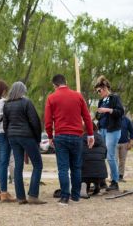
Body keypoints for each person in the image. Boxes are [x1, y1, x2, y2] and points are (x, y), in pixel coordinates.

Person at [44, 73, 95, 205]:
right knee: (76, 168)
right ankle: (76, 196)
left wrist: (50, 136)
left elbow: (48, 121)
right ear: (65, 82)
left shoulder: (51, 98)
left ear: (54, 85)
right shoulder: (78, 96)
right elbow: (87, 117)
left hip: (60, 136)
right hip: (77, 136)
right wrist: (90, 134)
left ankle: (65, 197)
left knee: (63, 168)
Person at [2, 81, 46, 205]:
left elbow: (5, 123)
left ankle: (20, 197)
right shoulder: (26, 102)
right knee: (38, 164)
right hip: (26, 136)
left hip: (12, 137)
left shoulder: (7, 105)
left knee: (18, 166)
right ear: (22, 91)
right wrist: (37, 138)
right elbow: (35, 122)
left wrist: (9, 134)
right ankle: (33, 195)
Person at [94, 76, 125, 192]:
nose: (98, 93)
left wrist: (107, 110)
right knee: (101, 154)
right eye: (97, 91)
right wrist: (98, 114)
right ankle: (101, 180)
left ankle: (115, 181)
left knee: (110, 156)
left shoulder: (114, 98)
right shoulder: (101, 101)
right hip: (102, 129)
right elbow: (100, 116)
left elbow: (120, 112)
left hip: (112, 130)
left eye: (99, 90)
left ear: (104, 88)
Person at [81, 123, 107, 197]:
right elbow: (105, 154)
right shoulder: (101, 139)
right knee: (96, 164)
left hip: (85, 173)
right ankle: (97, 185)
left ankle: (84, 186)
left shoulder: (81, 138)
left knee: (84, 165)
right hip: (101, 173)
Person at [117, 115, 133, 182]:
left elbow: (132, 132)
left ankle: (120, 176)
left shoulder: (127, 120)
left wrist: (130, 143)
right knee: (114, 160)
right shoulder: (112, 118)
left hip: (124, 143)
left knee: (122, 161)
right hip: (114, 143)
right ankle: (114, 177)